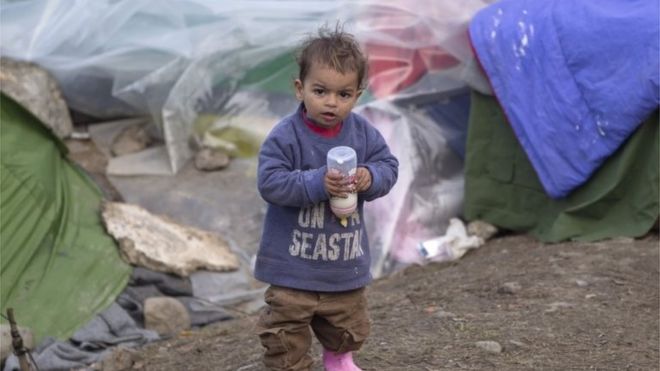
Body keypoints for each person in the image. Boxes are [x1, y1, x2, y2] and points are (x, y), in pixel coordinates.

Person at [254, 24, 399, 371]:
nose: (331, 102)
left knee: (347, 321)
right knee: (285, 330)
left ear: (358, 95)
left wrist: (371, 176)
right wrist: (318, 183)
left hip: (343, 261)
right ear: (299, 88)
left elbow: (388, 165)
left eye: (343, 94)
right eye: (321, 91)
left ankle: (338, 359)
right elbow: (270, 183)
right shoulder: (285, 136)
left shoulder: (362, 132)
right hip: (293, 264)